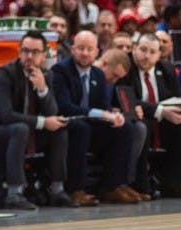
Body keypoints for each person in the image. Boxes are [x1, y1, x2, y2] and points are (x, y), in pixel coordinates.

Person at [0, 31, 71, 210]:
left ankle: (56, 189)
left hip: (29, 133)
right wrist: (42, 122)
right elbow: (6, 115)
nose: (29, 56)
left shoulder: (46, 75)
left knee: (59, 127)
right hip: (0, 134)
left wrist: (42, 90)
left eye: (35, 52)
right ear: (19, 51)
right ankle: (14, 193)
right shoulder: (4, 74)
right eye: (25, 51)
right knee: (20, 128)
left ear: (44, 54)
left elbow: (52, 113)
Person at [51, 31, 140, 205]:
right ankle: (76, 189)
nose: (85, 53)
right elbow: (65, 106)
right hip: (68, 123)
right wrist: (101, 113)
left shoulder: (97, 74)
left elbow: (104, 105)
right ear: (72, 49)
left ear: (96, 52)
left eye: (89, 49)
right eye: (81, 48)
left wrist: (115, 116)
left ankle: (112, 186)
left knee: (126, 127)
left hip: (91, 126)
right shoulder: (60, 71)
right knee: (81, 127)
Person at [115, 34, 181, 197]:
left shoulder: (166, 68)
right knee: (144, 125)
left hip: (164, 120)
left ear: (159, 55)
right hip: (140, 117)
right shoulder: (126, 67)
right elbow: (126, 98)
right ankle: (140, 185)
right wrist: (160, 111)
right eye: (143, 50)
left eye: (152, 52)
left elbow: (178, 96)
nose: (146, 56)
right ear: (134, 49)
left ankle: (173, 185)